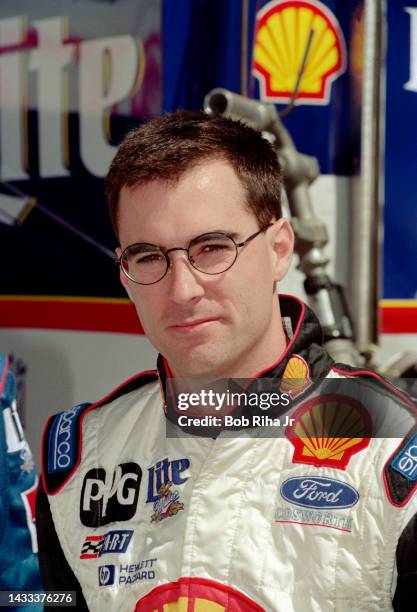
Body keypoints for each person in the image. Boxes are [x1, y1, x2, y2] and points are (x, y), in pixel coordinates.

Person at [36, 111, 417, 611]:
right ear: (125, 274)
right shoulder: (82, 455)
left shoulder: (396, 449)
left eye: (212, 247)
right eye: (149, 256)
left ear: (280, 249)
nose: (183, 289)